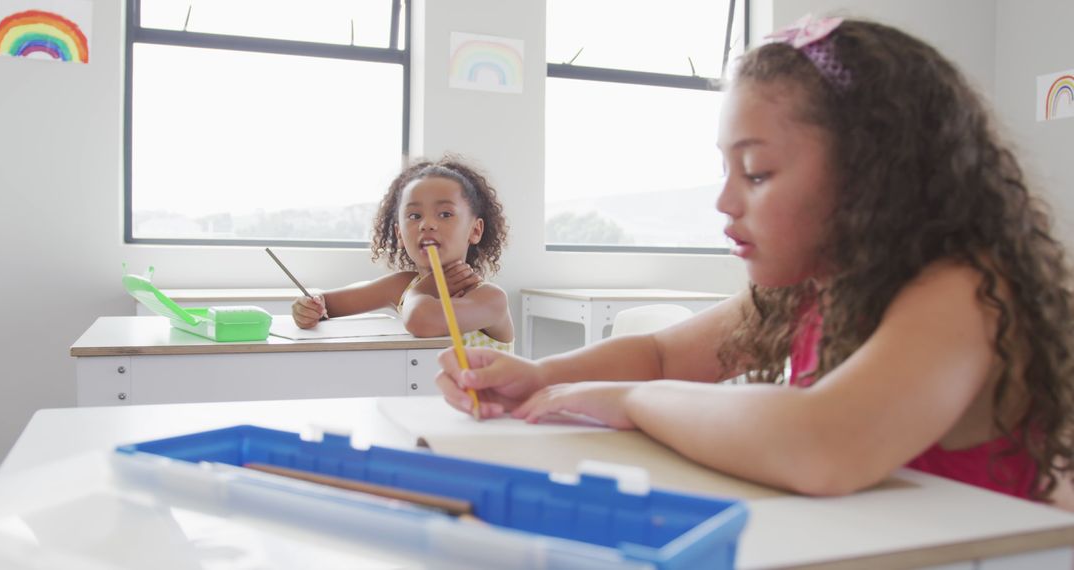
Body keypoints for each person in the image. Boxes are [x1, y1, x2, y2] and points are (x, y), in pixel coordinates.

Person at [436, 16, 1074, 507]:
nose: (723, 199)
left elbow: (824, 444)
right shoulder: (811, 289)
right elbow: (661, 355)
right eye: (725, 169)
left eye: (758, 172)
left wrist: (632, 401)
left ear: (876, 179)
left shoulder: (964, 292)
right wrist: (540, 375)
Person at [293, 157, 513, 350]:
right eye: (415, 216)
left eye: (445, 214)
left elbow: (422, 321)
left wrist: (426, 287)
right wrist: (309, 308)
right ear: (399, 234)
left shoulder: (489, 298)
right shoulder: (401, 286)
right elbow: (328, 305)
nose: (427, 225)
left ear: (475, 230)